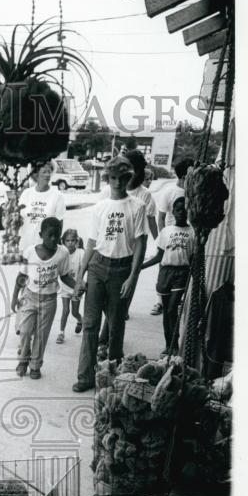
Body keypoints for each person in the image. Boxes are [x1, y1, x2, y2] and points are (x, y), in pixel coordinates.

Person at [72, 155, 149, 392]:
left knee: (116, 325)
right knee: (90, 324)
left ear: (128, 178)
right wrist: (79, 277)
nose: (117, 183)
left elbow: (140, 243)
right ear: (108, 178)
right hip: (97, 266)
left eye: (122, 178)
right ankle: (85, 376)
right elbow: (92, 243)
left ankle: (114, 376)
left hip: (121, 268)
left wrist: (132, 277)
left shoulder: (137, 206)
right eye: (113, 178)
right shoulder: (100, 207)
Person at [15, 217, 76, 379]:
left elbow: (64, 276)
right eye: (50, 235)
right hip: (29, 297)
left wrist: (78, 285)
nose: (54, 239)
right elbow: (21, 276)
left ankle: (35, 365)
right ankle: (22, 361)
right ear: (41, 234)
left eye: (57, 235)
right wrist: (15, 297)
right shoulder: (29, 252)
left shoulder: (62, 253)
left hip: (49, 301)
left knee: (41, 336)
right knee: (26, 332)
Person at [141, 196, 195, 355]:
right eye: (178, 210)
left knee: (172, 309)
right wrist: (141, 267)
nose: (181, 213)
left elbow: (193, 259)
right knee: (167, 310)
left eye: (184, 210)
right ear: (173, 212)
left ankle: (175, 343)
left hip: (182, 273)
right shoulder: (166, 231)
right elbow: (159, 256)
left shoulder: (192, 232)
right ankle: (168, 344)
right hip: (165, 273)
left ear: (189, 212)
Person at [152, 156, 194, 314]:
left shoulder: (192, 192)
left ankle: (180, 298)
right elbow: (161, 218)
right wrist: (161, 239)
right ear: (185, 177)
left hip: (186, 237)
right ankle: (160, 302)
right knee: (163, 270)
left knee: (184, 269)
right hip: (169, 238)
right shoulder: (169, 191)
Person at [18, 160, 66, 253]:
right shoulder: (26, 194)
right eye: (44, 172)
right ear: (36, 174)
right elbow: (18, 220)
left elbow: (59, 225)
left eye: (49, 172)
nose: (47, 175)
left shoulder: (57, 196)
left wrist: (53, 246)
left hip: (46, 249)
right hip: (25, 247)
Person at [56, 228, 84, 343]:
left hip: (77, 288)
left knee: (74, 312)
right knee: (65, 310)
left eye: (73, 240)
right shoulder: (62, 253)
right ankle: (61, 333)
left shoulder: (81, 253)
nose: (70, 243)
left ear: (77, 241)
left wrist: (82, 284)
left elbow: (83, 269)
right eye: (67, 240)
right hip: (65, 287)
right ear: (63, 241)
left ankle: (80, 320)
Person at [11, 270, 29, 343]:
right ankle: (23, 341)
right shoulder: (25, 267)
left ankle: (26, 341)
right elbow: (19, 282)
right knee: (22, 320)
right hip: (25, 299)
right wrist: (14, 298)